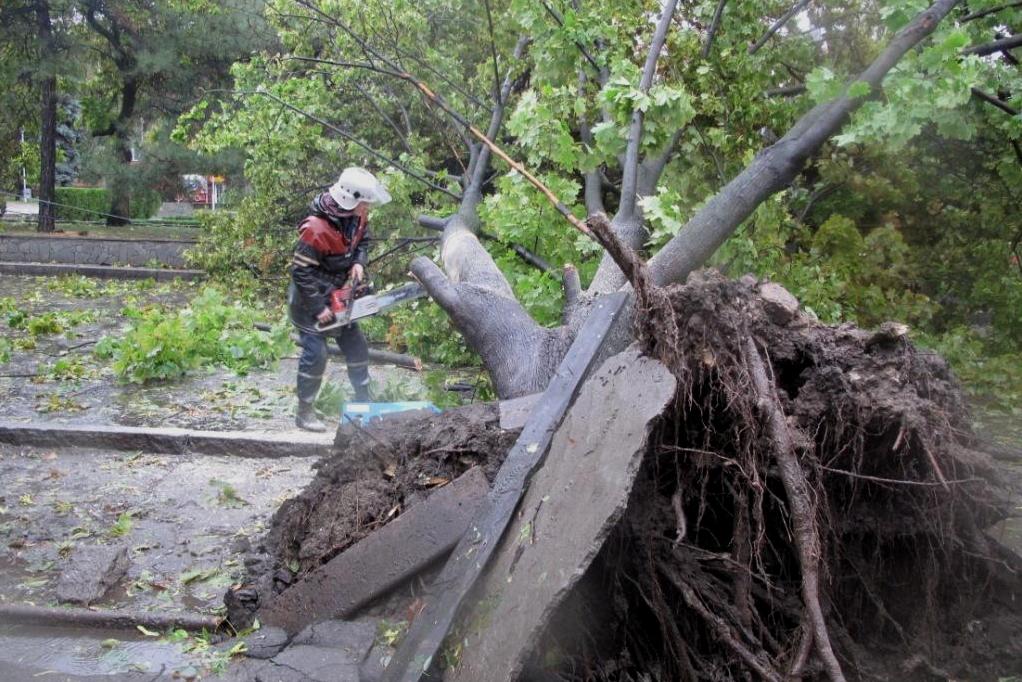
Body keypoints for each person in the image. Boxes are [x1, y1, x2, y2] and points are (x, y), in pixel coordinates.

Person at [289, 167, 391, 432]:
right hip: (308, 298)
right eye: (364, 202)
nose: (367, 207)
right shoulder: (315, 228)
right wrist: (318, 307)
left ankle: (363, 402)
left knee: (357, 346)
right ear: (350, 199)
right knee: (316, 353)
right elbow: (300, 271)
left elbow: (363, 242)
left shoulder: (356, 218)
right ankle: (305, 412)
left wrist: (358, 263)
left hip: (337, 291)